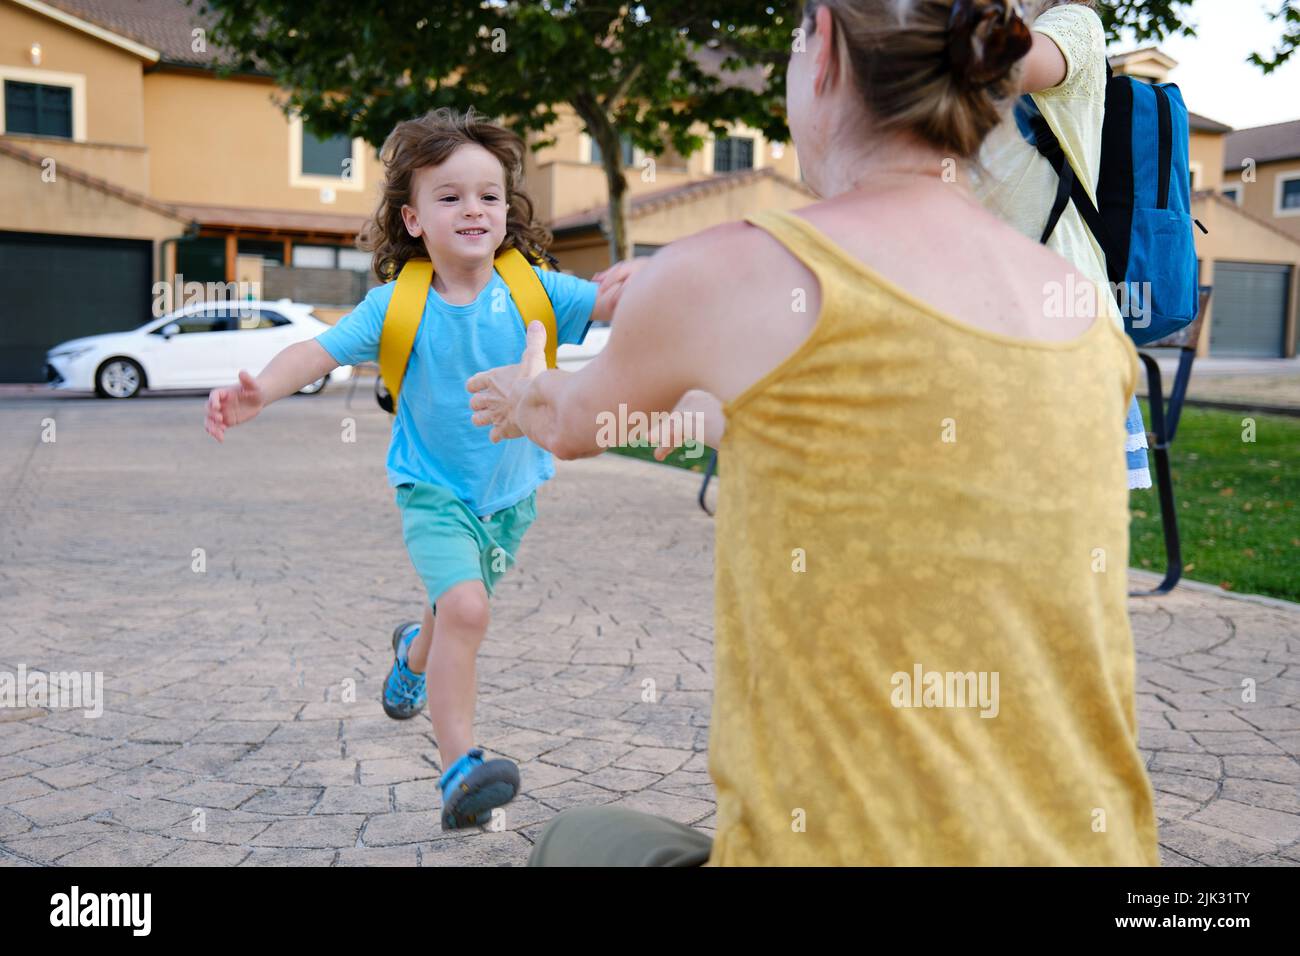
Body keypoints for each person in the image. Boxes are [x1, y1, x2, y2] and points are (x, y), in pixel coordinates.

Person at [469, 0, 1159, 865]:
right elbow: (804, 428)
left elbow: (569, 426)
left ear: (823, 45)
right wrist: (674, 416)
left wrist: (531, 382)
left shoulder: (732, 268)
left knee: (581, 842)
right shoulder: (1086, 325)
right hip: (1100, 855)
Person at [204, 107, 622, 830]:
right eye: (450, 195)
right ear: (413, 218)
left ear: (506, 211)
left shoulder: (537, 290)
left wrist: (656, 281)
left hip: (510, 496)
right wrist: (262, 390)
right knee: (466, 609)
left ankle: (409, 655)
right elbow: (317, 350)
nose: (473, 208)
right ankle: (460, 768)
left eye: (488, 195)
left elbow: (615, 304)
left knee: (445, 614)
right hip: (431, 490)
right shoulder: (396, 305)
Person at [974, 0, 1152, 489]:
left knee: (1050, 526)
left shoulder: (1073, 25)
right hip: (984, 316)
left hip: (1057, 316)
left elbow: (1002, 64)